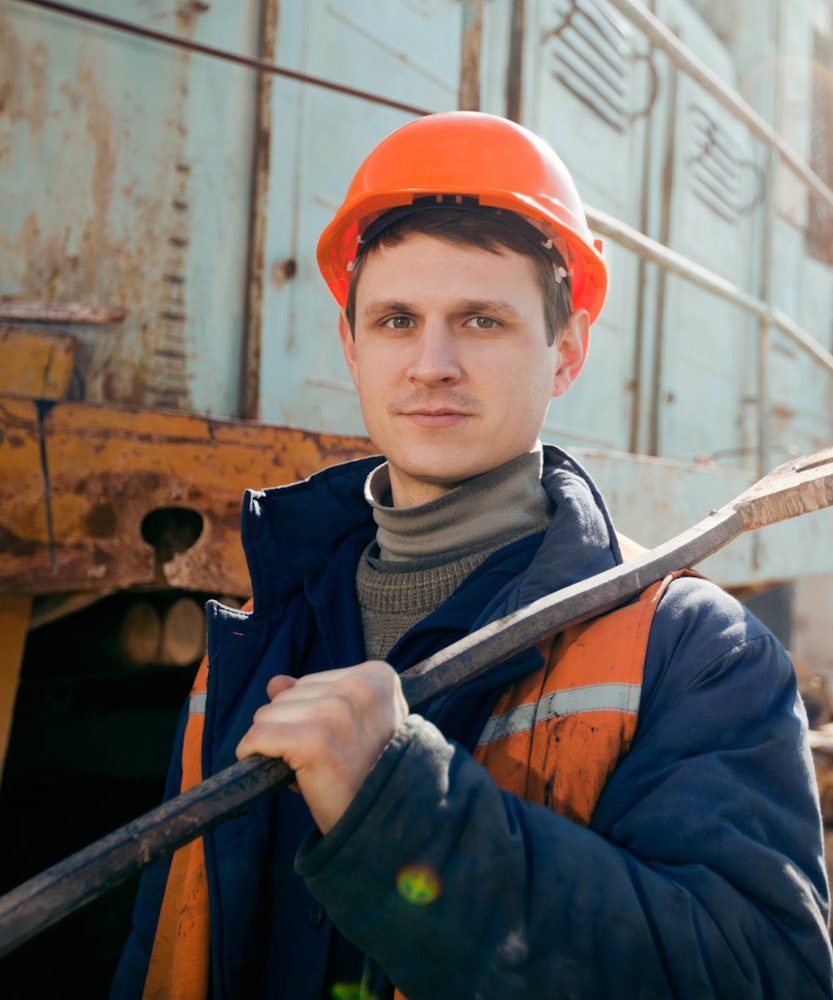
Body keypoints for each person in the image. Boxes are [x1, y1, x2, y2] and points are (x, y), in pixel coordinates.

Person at [112, 112, 833, 999]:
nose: (432, 363)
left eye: (482, 320)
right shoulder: (250, 646)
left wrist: (406, 816)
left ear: (565, 351)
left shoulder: (692, 652)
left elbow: (762, 976)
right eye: (396, 320)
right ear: (351, 347)